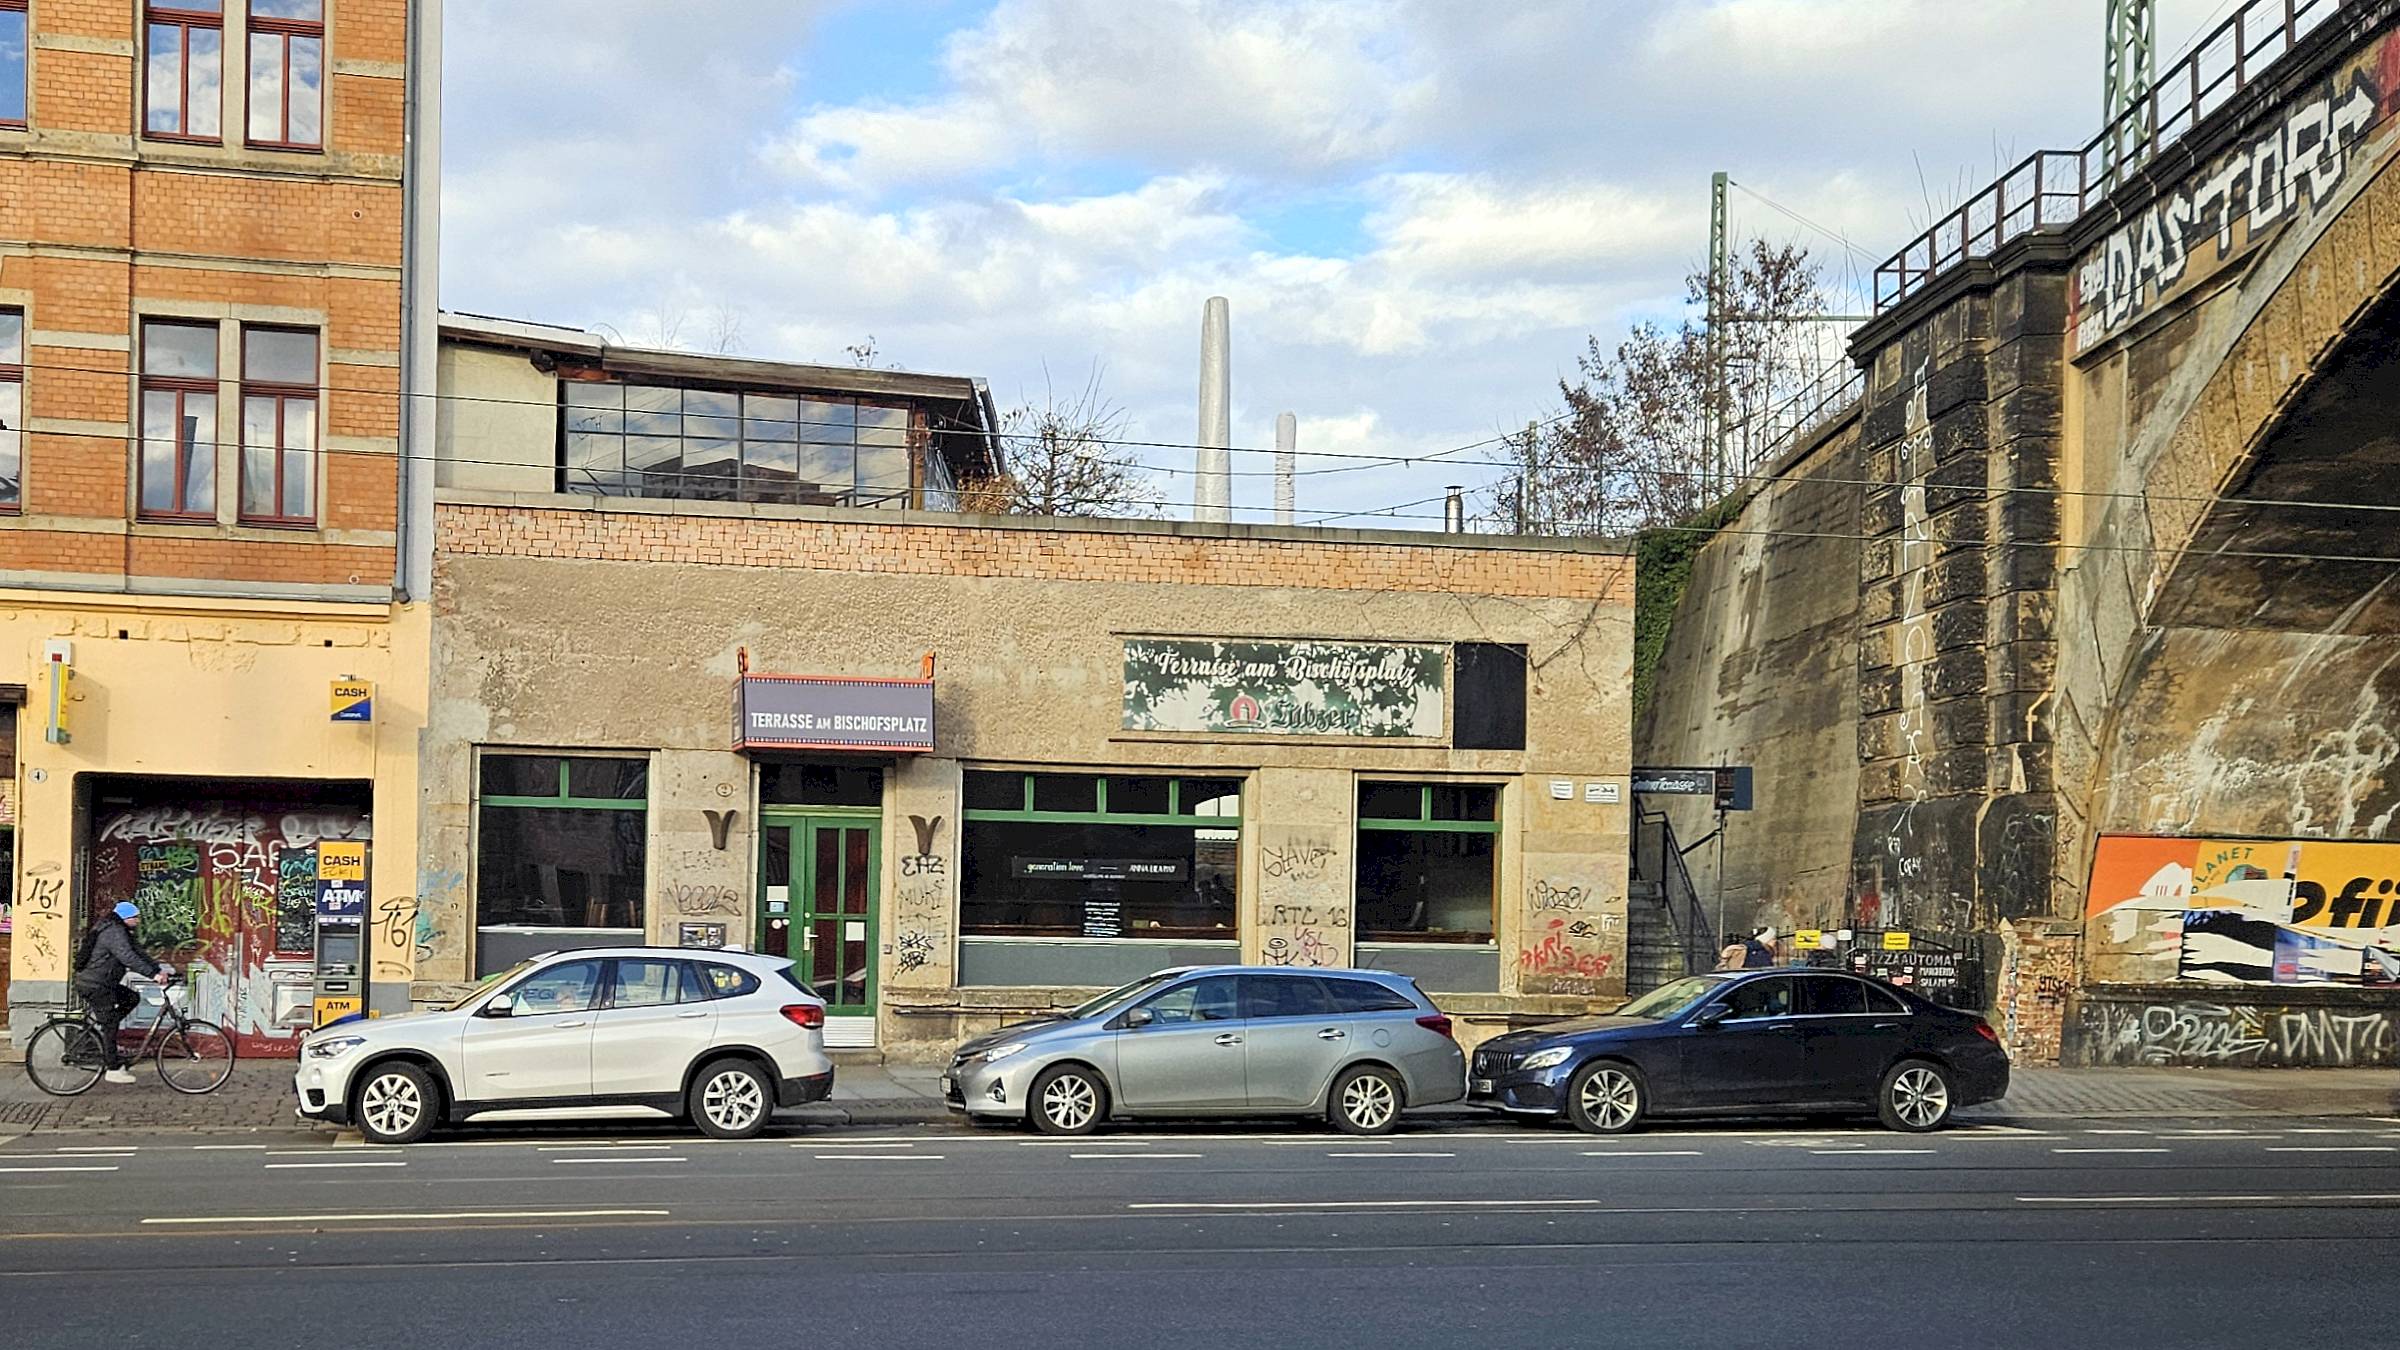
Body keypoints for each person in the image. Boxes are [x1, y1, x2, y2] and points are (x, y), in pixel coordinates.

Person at [72, 902, 169, 1085]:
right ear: (126, 918)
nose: (138, 921)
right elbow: (128, 957)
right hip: (95, 984)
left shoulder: (120, 930)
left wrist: (158, 969)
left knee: (131, 998)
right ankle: (112, 1069)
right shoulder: (113, 932)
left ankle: (108, 1026)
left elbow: (138, 952)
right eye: (136, 917)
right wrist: (152, 975)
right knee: (110, 1024)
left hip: (104, 983)